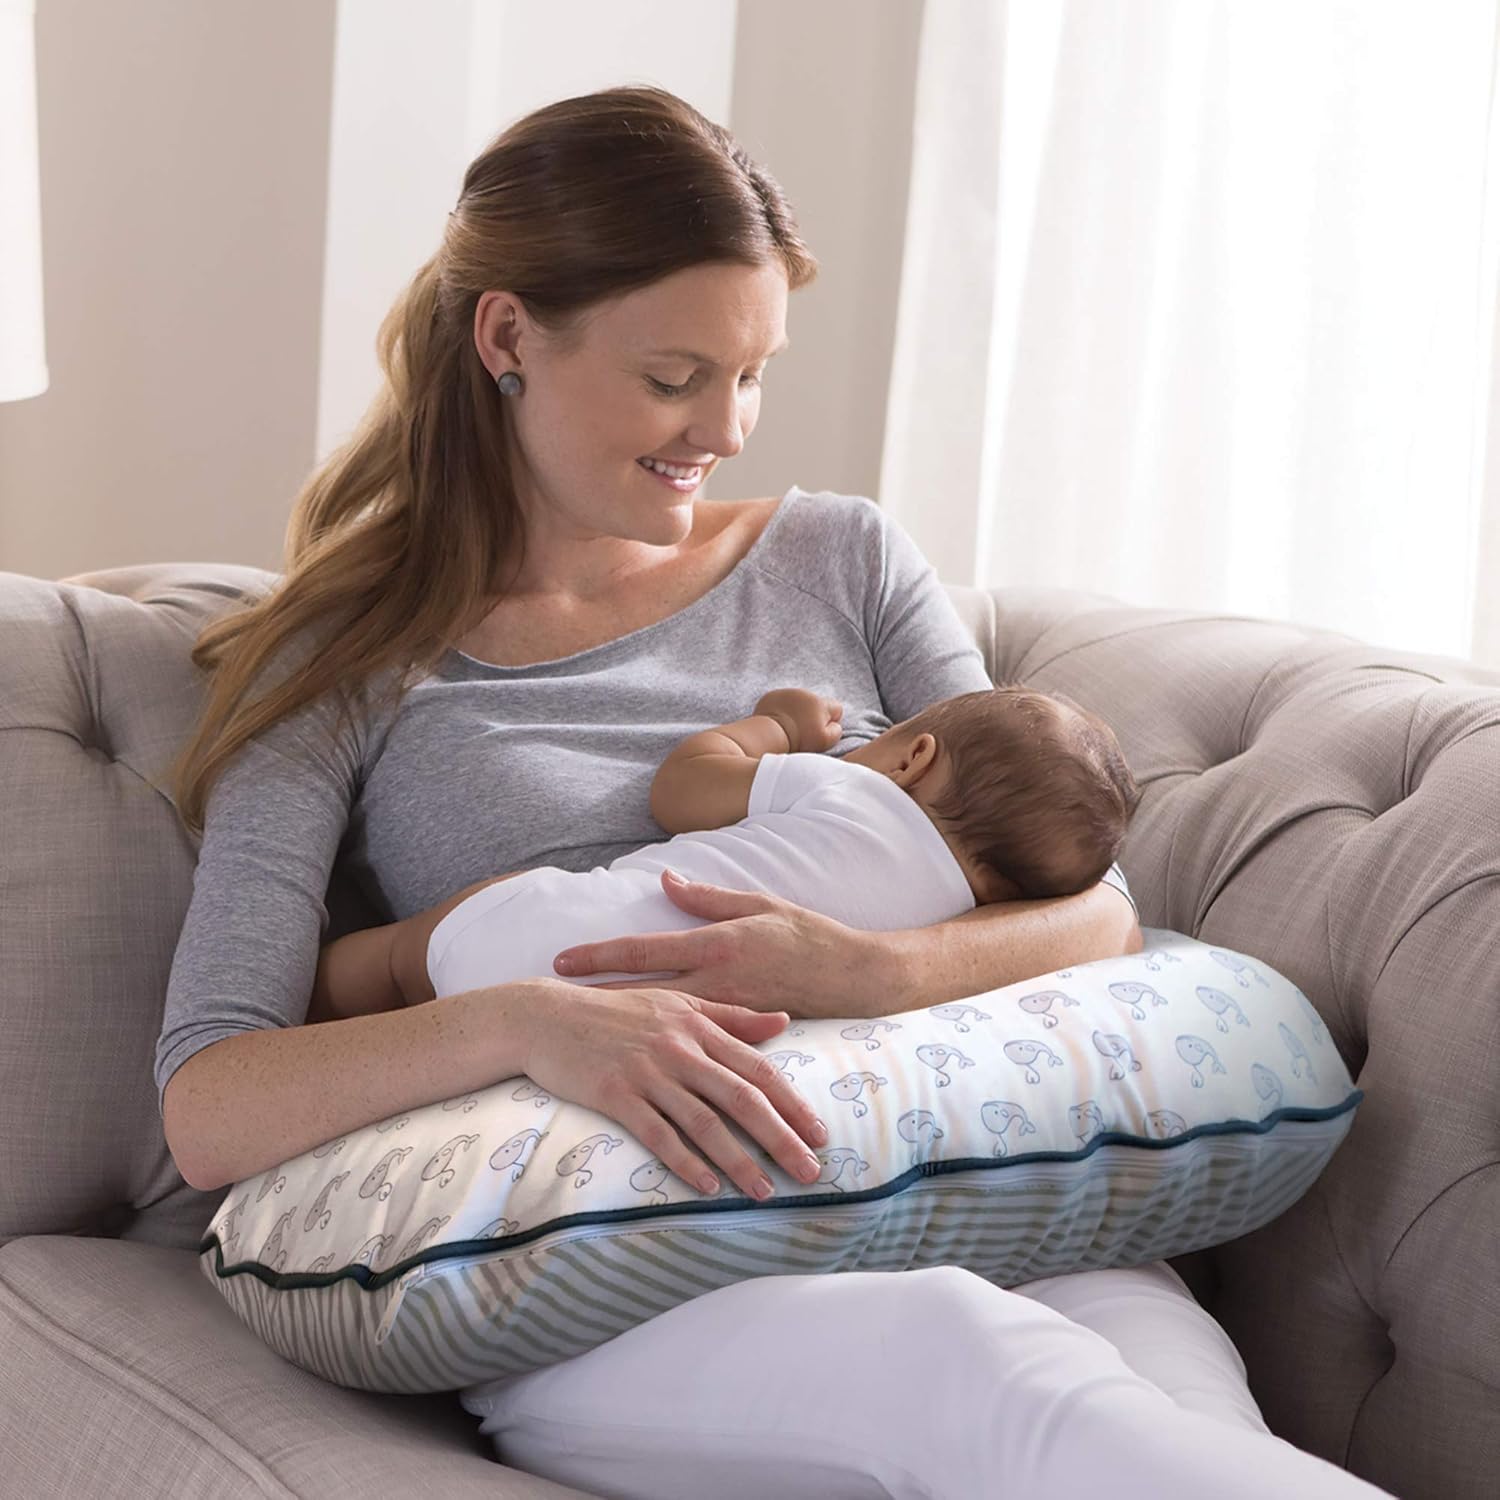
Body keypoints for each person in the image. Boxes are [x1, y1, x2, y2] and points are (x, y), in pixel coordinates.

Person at [153, 84, 1393, 1499]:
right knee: (979, 1377)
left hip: (953, 1180)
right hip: (626, 1276)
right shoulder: (349, 655)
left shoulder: (846, 561)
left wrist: (867, 967)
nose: (727, 427)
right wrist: (528, 1023)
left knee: (1173, 1403)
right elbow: (212, 1103)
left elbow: (1091, 913)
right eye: (676, 377)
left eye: (753, 374)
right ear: (507, 338)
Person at [310, 680, 1142, 1055]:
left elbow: (682, 790)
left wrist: (773, 727)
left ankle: (300, 1014)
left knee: (390, 957)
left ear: (913, 757)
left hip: (556, 936)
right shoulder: (953, 925)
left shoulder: (846, 787)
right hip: (649, 1027)